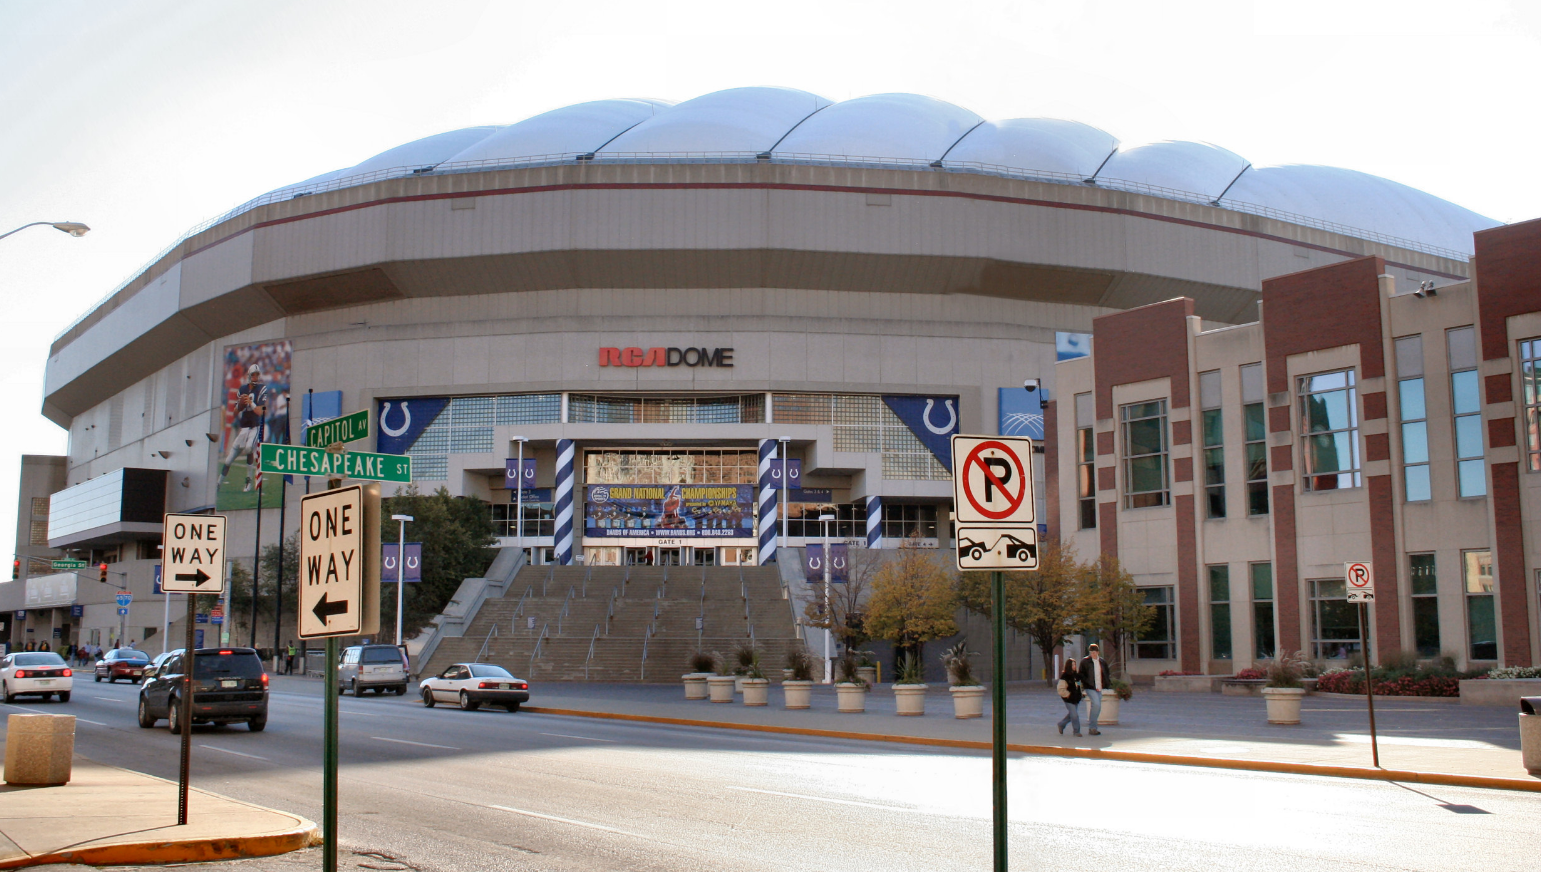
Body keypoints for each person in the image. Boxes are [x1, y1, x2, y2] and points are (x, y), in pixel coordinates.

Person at [220, 363, 269, 492]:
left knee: (248, 448)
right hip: (244, 428)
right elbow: (235, 412)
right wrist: (240, 405)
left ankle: (248, 481)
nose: (255, 377)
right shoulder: (242, 389)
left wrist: (251, 403)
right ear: (249, 375)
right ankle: (218, 483)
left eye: (257, 375)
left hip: (255, 426)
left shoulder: (262, 389)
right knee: (229, 459)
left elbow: (261, 412)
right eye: (253, 374)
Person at [1079, 643, 1113, 736]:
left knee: (1097, 707)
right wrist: (1083, 684)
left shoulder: (1102, 662)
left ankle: (1093, 727)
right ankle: (1092, 728)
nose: (1092, 654)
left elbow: (1106, 673)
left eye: (1094, 652)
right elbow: (1081, 674)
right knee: (1096, 704)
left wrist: (1107, 683)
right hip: (1090, 687)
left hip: (1099, 687)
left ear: (1098, 652)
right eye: (1091, 652)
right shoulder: (1085, 662)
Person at [1056, 657, 1084, 737]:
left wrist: (1081, 693)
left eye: (1075, 664)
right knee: (1074, 715)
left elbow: (1079, 686)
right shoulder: (1065, 677)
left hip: (1076, 699)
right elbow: (1060, 689)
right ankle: (1076, 731)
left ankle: (1061, 724)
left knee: (1071, 714)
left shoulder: (1076, 675)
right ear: (1068, 666)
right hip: (1069, 699)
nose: (1074, 666)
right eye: (1072, 665)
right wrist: (1068, 695)